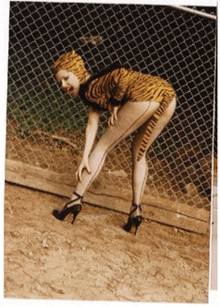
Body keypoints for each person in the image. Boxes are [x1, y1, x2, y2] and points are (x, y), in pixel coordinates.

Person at [52, 50, 176, 235]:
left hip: (148, 94)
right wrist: (84, 158)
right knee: (138, 151)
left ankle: (75, 200)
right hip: (169, 97)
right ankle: (136, 211)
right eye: (60, 82)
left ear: (77, 71)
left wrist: (116, 102)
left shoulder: (93, 86)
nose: (64, 85)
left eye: (67, 77)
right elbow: (92, 124)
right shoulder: (92, 93)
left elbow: (121, 73)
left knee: (103, 147)